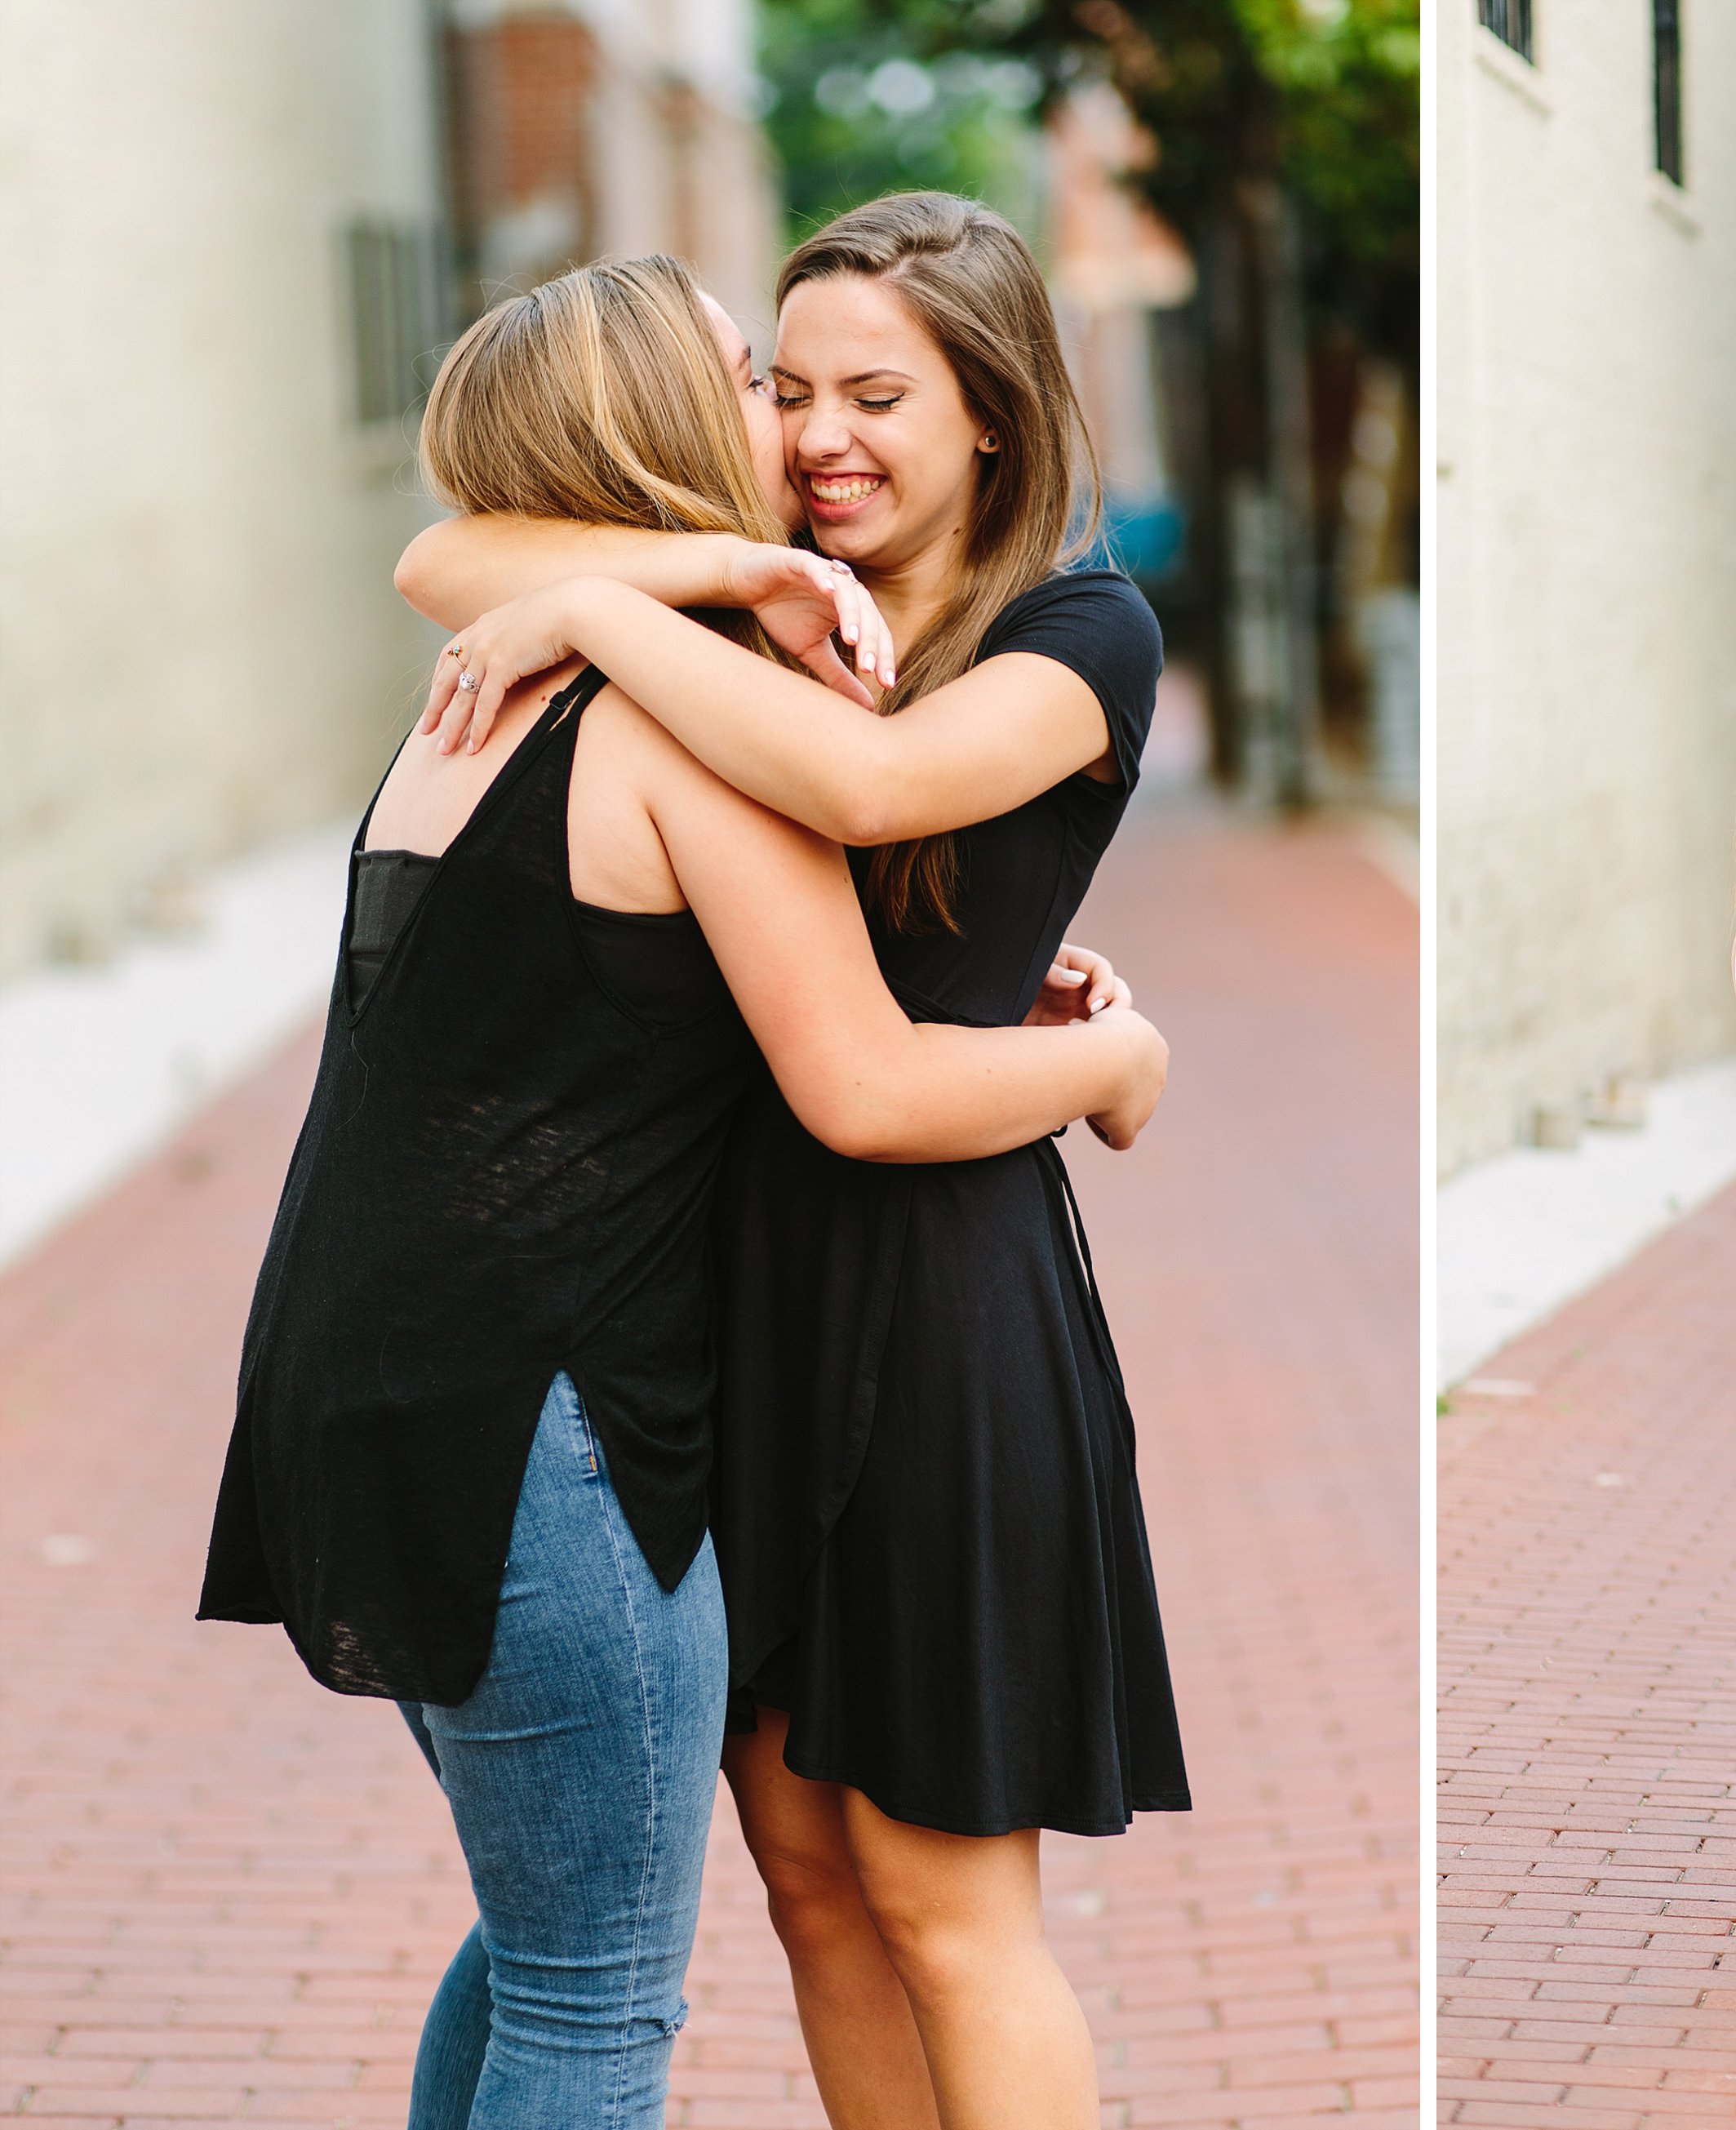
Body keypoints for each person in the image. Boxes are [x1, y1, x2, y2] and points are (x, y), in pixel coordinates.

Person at [197, 255, 1167, 2125]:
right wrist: (1115, 1066)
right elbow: (862, 1068)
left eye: (862, 398)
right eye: (766, 384)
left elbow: (874, 820)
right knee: (614, 1964)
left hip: (806, 1332)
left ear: (989, 409)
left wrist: (642, 598)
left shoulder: (558, 680)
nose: (804, 438)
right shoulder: (641, 672)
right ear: (658, 437)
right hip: (619, 1376)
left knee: (621, 1939)